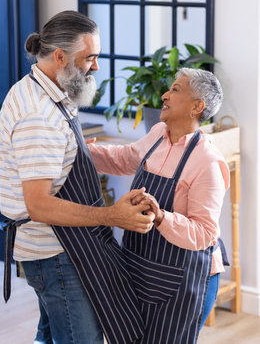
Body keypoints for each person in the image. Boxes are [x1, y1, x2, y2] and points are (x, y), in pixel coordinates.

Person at [0, 10, 155, 344]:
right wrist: (111, 215)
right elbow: (38, 205)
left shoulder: (45, 90)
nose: (96, 66)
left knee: (52, 336)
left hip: (62, 248)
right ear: (60, 57)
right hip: (55, 254)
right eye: (89, 58)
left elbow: (52, 160)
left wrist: (77, 154)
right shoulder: (37, 116)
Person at [88, 67, 230, 343]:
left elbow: (204, 233)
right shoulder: (158, 134)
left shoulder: (208, 162)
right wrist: (82, 150)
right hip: (141, 265)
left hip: (184, 278)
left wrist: (162, 216)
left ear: (196, 107)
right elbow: (125, 158)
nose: (164, 94)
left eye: (175, 90)